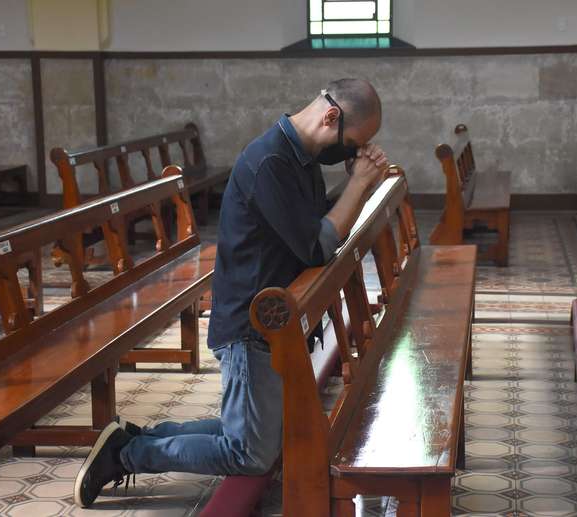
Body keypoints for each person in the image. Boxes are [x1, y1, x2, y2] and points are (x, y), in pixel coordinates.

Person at [74, 78, 388, 507]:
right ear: (331, 116)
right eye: (353, 142)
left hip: (272, 320)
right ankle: (127, 455)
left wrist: (355, 181)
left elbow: (317, 228)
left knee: (253, 436)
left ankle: (133, 438)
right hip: (250, 326)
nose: (352, 152)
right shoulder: (271, 162)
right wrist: (358, 186)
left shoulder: (302, 157)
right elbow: (316, 246)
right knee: (251, 454)